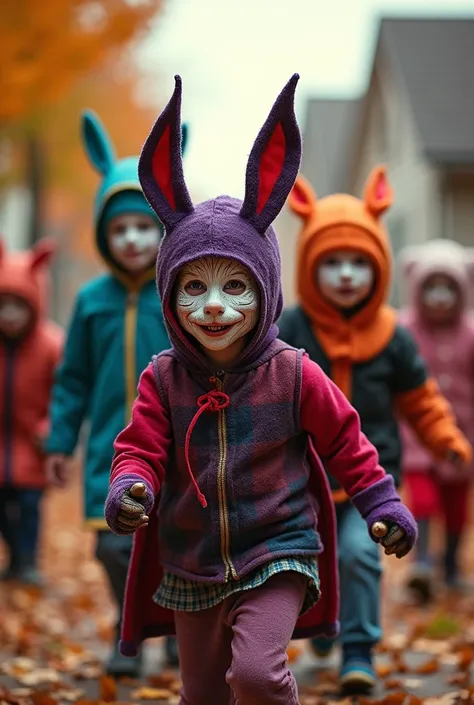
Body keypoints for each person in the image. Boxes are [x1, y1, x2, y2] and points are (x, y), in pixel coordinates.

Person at [104, 74, 417, 705]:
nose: (214, 308)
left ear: (266, 290)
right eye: (194, 288)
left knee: (254, 674)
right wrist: (129, 485)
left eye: (235, 288)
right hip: (191, 554)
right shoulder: (163, 378)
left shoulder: (295, 371)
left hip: (279, 548)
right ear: (170, 295)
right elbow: (137, 448)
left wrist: (382, 503)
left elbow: (348, 444)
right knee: (202, 693)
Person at [278, 171, 472, 692]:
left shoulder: (393, 337)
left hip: (373, 481)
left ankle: (358, 648)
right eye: (332, 263)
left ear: (380, 268)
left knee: (361, 554)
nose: (346, 275)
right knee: (306, 560)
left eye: (359, 264)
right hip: (301, 479)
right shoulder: (291, 332)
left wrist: (448, 441)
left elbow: (422, 401)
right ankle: (322, 623)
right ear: (309, 268)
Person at [45, 110, 184, 676]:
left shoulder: (177, 291)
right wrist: (60, 441)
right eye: (119, 228)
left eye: (144, 226)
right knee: (112, 546)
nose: (132, 239)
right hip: (109, 446)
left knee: (176, 541)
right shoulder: (92, 301)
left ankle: (179, 626)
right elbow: (72, 377)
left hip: (177, 445)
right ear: (105, 235)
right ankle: (129, 631)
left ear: (163, 227)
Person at [399, 239, 474, 599]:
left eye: (449, 288)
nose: (440, 296)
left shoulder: (470, 333)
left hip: (462, 434)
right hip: (416, 436)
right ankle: (423, 564)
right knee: (424, 499)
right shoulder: (405, 330)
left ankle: (450, 565)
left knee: (457, 507)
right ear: (417, 288)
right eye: (431, 287)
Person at [0, 238, 63, 586]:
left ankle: (27, 561)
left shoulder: (50, 345)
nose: (9, 316)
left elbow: (64, 392)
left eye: (18, 307)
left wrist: (50, 426)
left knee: (27, 507)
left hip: (30, 442)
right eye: (3, 306)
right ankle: (13, 557)